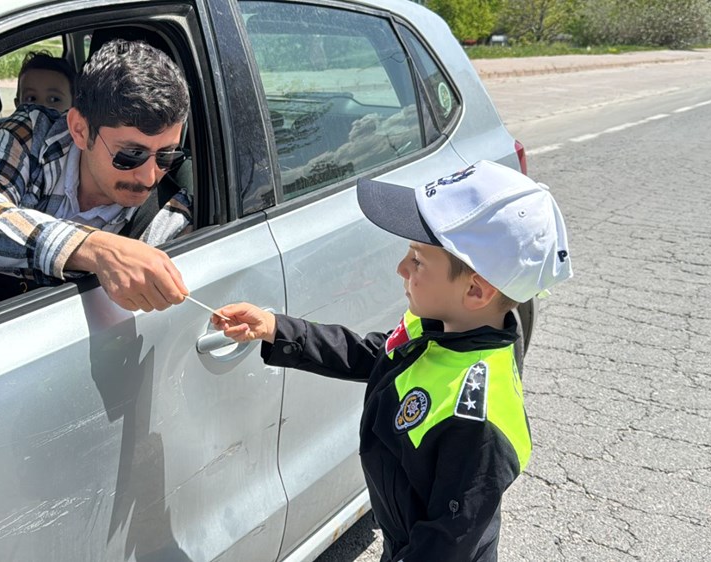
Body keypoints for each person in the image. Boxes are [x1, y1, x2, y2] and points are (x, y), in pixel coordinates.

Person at [211, 161, 573, 561]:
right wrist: (278, 328)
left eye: (417, 260)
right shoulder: (440, 327)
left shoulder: (477, 420)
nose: (401, 267)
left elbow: (446, 544)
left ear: (475, 290)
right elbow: (375, 354)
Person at [0, 39, 193, 315]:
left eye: (166, 155)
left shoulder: (170, 216)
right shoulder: (33, 134)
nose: (148, 177)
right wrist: (95, 249)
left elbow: (197, 297)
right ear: (80, 130)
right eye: (131, 154)